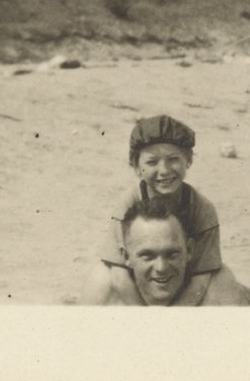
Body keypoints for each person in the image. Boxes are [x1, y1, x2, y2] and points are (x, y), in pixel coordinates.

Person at [87, 115, 223, 306]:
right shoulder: (127, 204)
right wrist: (147, 318)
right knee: (101, 277)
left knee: (223, 279)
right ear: (136, 167)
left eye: (173, 159)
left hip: (181, 279)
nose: (164, 170)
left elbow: (202, 277)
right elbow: (119, 275)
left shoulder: (202, 208)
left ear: (188, 160)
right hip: (143, 280)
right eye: (152, 162)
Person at [82, 198, 250, 306]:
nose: (161, 267)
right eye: (147, 256)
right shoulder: (104, 289)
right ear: (125, 256)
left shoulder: (218, 289)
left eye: (172, 254)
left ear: (189, 250)